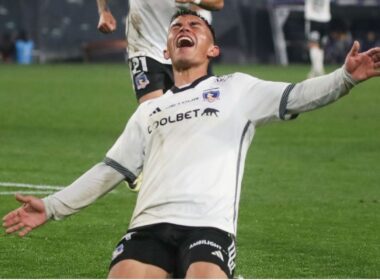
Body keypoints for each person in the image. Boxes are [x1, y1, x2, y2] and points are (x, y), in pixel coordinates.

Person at [3, 9, 380, 279]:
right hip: (149, 225)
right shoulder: (150, 112)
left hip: (208, 226)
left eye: (195, 25)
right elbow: (109, 171)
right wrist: (52, 206)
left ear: (212, 50)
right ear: (166, 51)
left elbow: (298, 95)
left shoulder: (237, 88)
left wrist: (344, 78)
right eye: (177, 26)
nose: (185, 27)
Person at [96, 0, 224, 104]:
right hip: (146, 46)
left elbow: (218, 3)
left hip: (188, 48)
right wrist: (104, 11)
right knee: (153, 116)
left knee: (197, 115)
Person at [304, 0, 331, 78]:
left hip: (313, 18)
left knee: (313, 45)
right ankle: (317, 70)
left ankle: (318, 69)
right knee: (320, 46)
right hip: (325, 18)